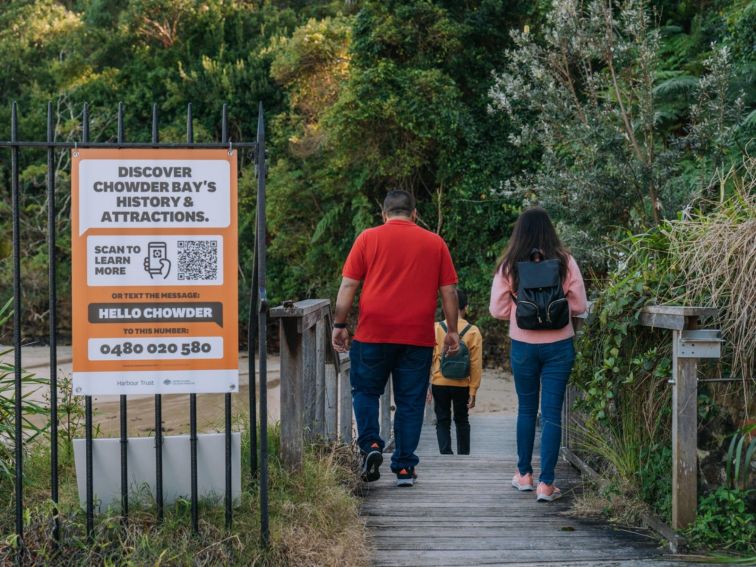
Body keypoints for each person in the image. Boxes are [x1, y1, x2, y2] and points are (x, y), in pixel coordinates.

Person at [332, 190, 460, 487]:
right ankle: (403, 467)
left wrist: (340, 323)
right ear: (414, 214)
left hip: (373, 332)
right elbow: (449, 291)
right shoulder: (435, 242)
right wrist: (452, 331)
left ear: (384, 214)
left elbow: (349, 284)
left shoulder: (367, 238)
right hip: (416, 336)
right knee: (411, 402)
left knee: (364, 392)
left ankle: (372, 446)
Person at [489, 207, 587, 502]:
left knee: (527, 410)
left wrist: (522, 312)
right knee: (552, 413)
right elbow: (580, 305)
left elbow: (497, 309)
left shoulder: (510, 264)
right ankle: (546, 484)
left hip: (523, 346)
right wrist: (556, 313)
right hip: (559, 345)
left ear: (520, 231)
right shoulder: (565, 262)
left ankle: (523, 475)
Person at [429, 289, 483, 455]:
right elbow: (475, 364)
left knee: (442, 420)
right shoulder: (473, 331)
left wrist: (427, 385)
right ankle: (463, 455)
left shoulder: (436, 328)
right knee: (462, 420)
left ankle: (446, 454)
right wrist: (473, 390)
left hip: (439, 382)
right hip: (462, 383)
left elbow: (428, 359)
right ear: (465, 308)